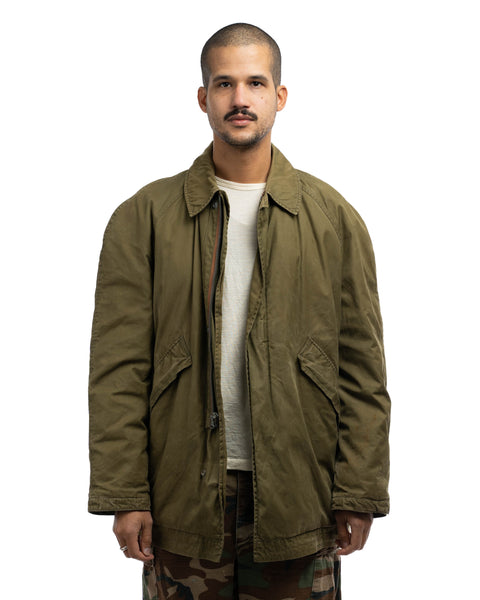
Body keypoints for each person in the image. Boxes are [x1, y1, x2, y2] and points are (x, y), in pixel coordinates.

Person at [88, 23, 390, 600]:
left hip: (301, 495)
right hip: (181, 499)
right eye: (224, 84)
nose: (240, 98)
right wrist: (125, 494)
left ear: (280, 96)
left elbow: (361, 369)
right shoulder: (143, 218)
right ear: (203, 97)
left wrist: (358, 489)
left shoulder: (334, 219)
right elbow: (118, 369)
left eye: (256, 83)